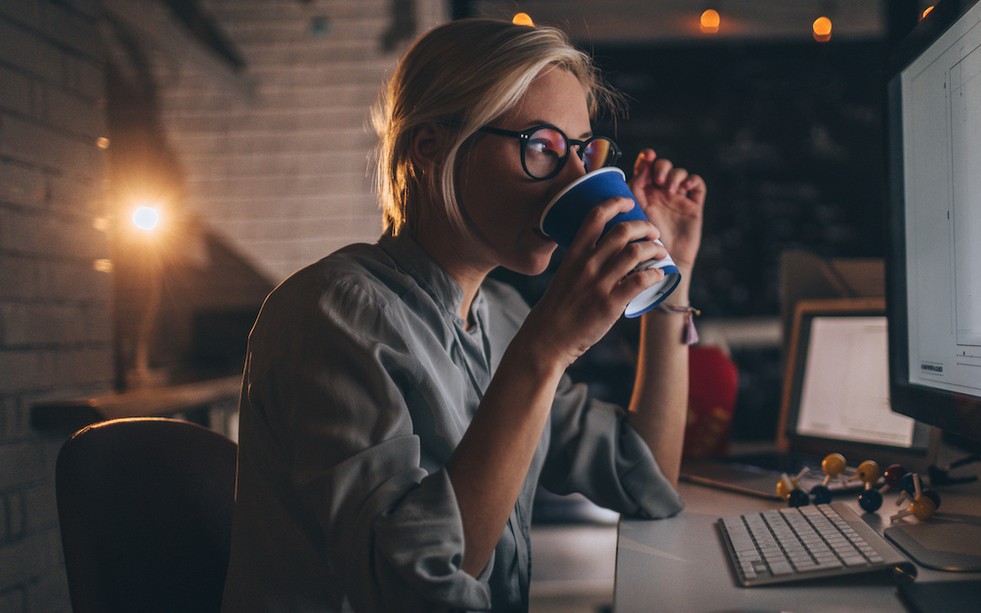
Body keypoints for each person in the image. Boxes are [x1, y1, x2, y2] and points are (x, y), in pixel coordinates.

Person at [221, 17, 707, 612]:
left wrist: (669, 279)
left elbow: (647, 480)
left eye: (582, 151)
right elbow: (411, 589)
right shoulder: (330, 315)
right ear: (432, 148)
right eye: (541, 148)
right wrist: (546, 349)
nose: (578, 180)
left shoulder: (499, 316)